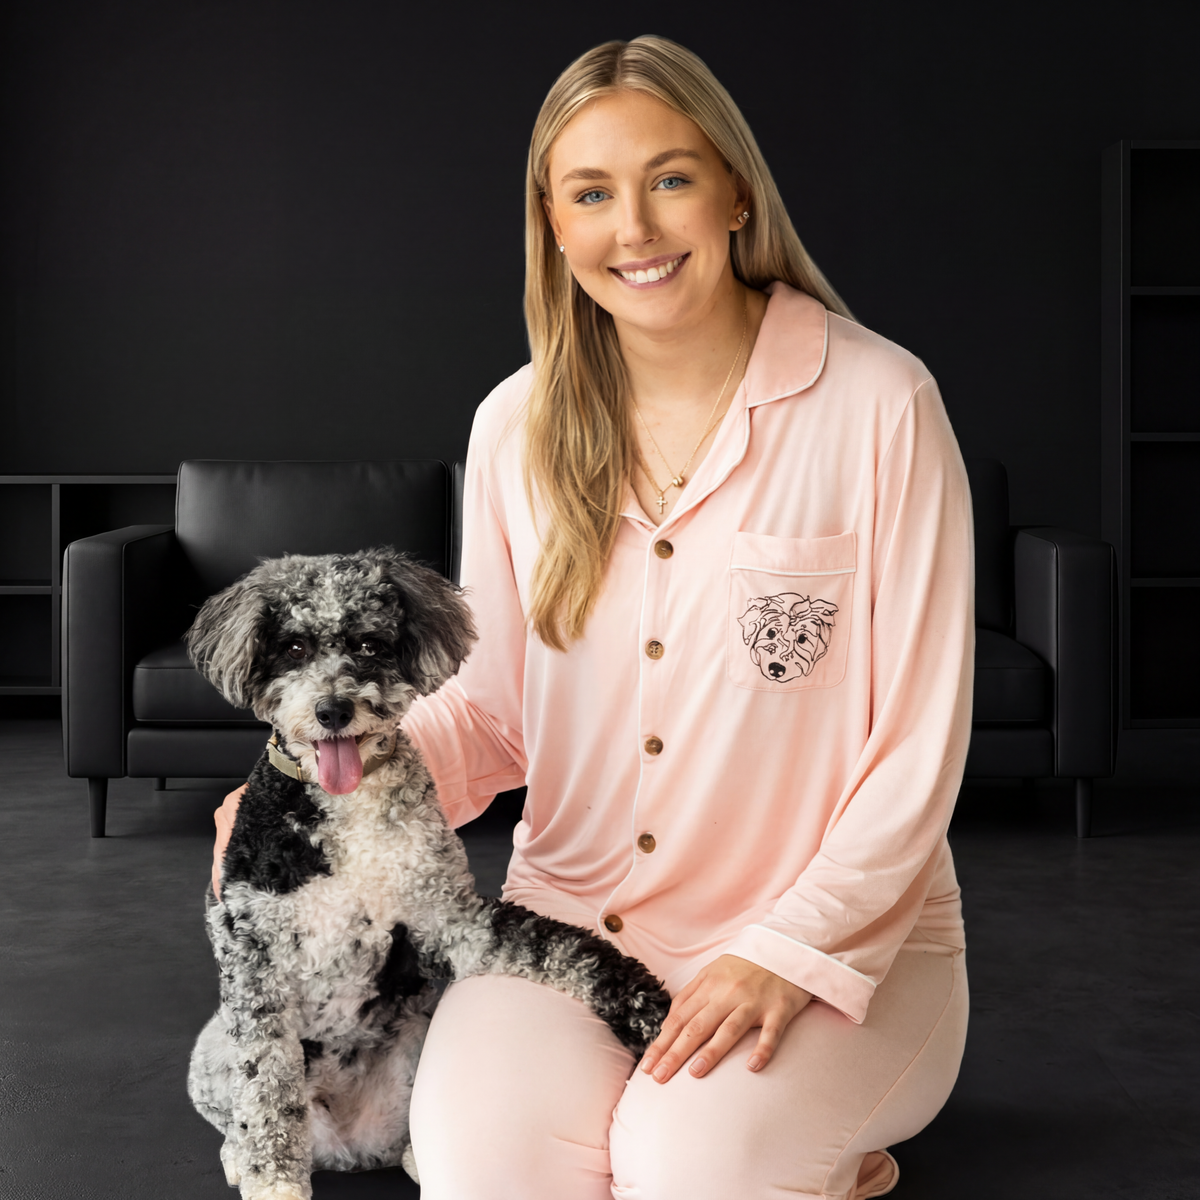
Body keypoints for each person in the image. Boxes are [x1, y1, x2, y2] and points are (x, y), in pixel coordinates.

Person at [212, 34, 973, 1200]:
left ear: (732, 192)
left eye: (670, 177)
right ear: (554, 227)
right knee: (481, 1175)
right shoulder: (515, 426)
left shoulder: (880, 403)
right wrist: (327, 775)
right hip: (567, 926)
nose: (637, 229)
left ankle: (803, 1143)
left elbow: (917, 745)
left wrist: (785, 953)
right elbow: (502, 709)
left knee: (680, 1167)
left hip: (829, 950)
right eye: (591, 194)